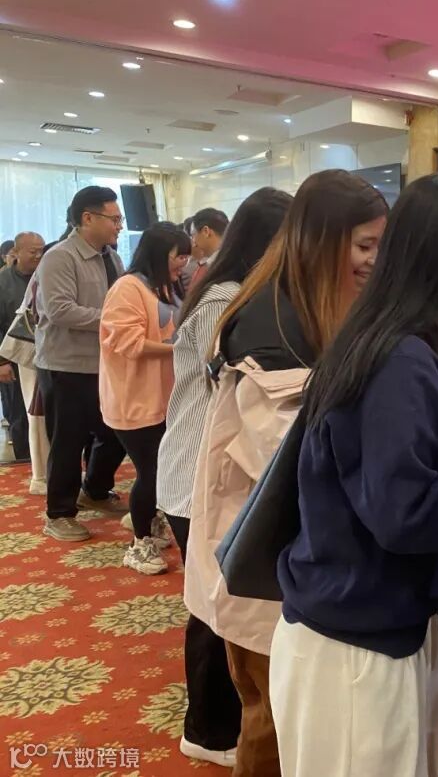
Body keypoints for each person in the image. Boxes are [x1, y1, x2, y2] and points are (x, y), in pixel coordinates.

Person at [269, 173, 438, 777]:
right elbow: (404, 513)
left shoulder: (389, 341)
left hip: (363, 626)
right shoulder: (399, 360)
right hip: (357, 648)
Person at [184, 170, 387, 777]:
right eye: (364, 245)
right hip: (262, 559)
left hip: (280, 554)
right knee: (272, 720)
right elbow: (285, 455)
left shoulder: (302, 306)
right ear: (320, 241)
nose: (374, 261)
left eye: (380, 246)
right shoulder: (272, 329)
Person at [157, 187, 291, 767]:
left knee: (218, 606)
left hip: (204, 468)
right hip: (197, 470)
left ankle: (215, 722)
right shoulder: (226, 299)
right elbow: (236, 385)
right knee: (214, 609)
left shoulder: (234, 291)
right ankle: (209, 731)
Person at [35, 185, 128, 542]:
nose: (119, 226)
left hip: (104, 363)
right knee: (67, 442)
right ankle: (59, 513)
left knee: (116, 431)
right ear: (87, 218)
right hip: (66, 365)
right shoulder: (59, 257)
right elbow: (59, 310)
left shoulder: (112, 257)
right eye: (114, 218)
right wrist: (115, 319)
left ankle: (95, 490)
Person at [99, 222, 189, 573]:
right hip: (134, 398)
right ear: (157, 253)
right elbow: (128, 343)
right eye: (178, 255)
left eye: (186, 255)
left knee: (164, 470)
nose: (183, 262)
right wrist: (180, 349)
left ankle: (151, 522)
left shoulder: (164, 285)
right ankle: (139, 544)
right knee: (153, 471)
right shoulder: (127, 288)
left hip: (165, 396)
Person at [0, 232, 47, 490]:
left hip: (44, 356)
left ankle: (42, 466)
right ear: (16, 253)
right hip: (12, 358)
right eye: (32, 251)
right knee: (19, 414)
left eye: (41, 250)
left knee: (41, 415)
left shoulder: (46, 275)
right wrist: (1, 362)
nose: (38, 256)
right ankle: (23, 465)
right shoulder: (3, 282)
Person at [188, 208, 229, 289]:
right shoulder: (209, 262)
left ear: (206, 231)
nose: (193, 242)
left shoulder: (223, 264)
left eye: (193, 235)